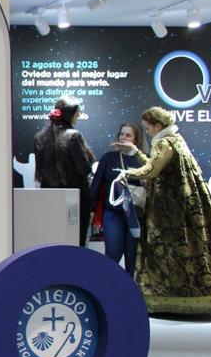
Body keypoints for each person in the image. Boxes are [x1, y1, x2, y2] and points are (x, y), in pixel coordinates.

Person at [118, 106, 211, 314]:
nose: (147, 132)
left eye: (148, 128)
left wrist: (127, 173)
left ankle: (167, 298)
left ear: (158, 125)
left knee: (169, 251)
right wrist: (136, 153)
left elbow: (152, 170)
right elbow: (154, 164)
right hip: (183, 205)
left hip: (170, 209)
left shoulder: (164, 143)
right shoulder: (176, 140)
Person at [33, 95, 95, 245]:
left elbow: (40, 170)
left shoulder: (39, 136)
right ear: (70, 114)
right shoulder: (74, 136)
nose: (79, 115)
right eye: (77, 112)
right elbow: (84, 169)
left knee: (52, 240)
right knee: (76, 242)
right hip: (76, 199)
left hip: (49, 196)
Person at [88, 122, 146, 276]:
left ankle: (133, 294)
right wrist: (91, 211)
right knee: (112, 254)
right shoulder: (109, 158)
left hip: (136, 215)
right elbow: (96, 186)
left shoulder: (143, 160)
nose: (123, 137)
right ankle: (110, 290)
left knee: (133, 256)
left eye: (128, 135)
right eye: (122, 134)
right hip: (113, 213)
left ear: (136, 139)